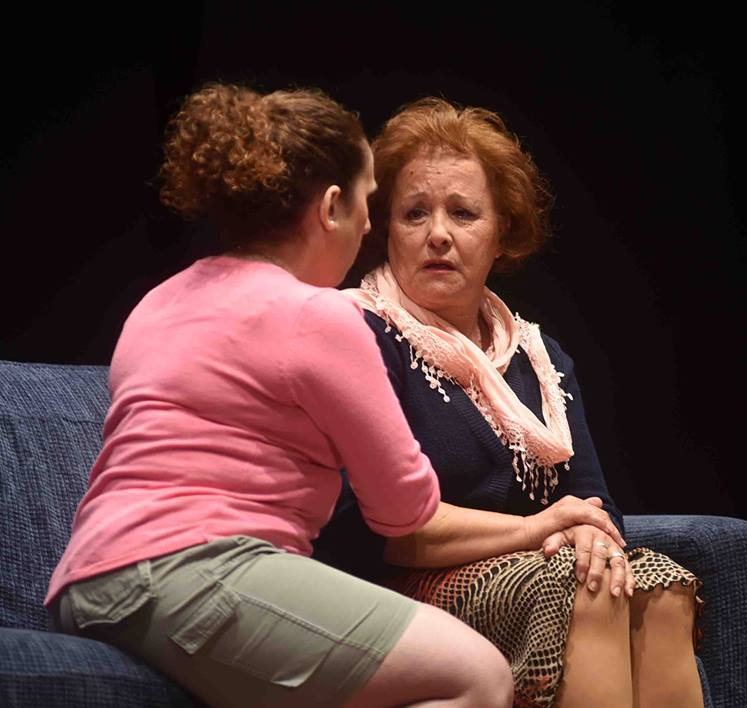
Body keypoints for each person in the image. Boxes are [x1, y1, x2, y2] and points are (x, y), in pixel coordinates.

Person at [44, 83, 556, 708]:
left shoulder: (159, 300)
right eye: (369, 201)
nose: (369, 226)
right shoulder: (320, 316)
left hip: (86, 581)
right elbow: (402, 512)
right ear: (333, 206)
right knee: (477, 675)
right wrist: (535, 524)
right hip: (195, 573)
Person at [319, 98, 707, 707]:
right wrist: (534, 529)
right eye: (415, 213)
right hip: (393, 586)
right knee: (584, 588)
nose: (438, 234)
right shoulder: (362, 334)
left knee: (659, 587)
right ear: (386, 228)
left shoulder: (538, 358)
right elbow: (367, 527)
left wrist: (591, 535)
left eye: (463, 213)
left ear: (502, 234)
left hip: (530, 565)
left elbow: (594, 500)